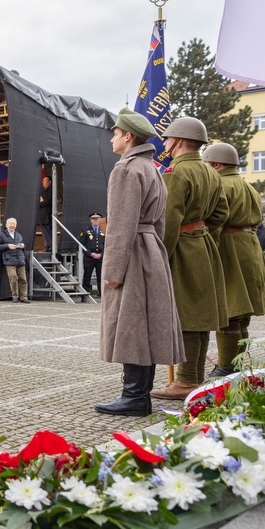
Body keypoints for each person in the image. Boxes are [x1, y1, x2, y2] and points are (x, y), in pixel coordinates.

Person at [95, 109, 184, 416]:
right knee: (146, 325)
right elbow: (159, 222)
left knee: (131, 325)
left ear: (128, 136)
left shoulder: (126, 170)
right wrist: (155, 251)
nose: (112, 138)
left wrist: (113, 270)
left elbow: (120, 224)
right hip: (151, 250)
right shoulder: (153, 168)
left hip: (132, 252)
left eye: (116, 133)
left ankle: (133, 397)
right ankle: (139, 395)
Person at [150, 117, 229, 400]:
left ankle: (185, 381)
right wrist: (203, 234)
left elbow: (169, 222)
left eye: (168, 139)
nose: (165, 144)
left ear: (180, 140)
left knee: (185, 318)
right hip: (203, 246)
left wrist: (160, 258)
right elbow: (220, 214)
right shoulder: (211, 173)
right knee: (200, 317)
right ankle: (194, 378)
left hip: (182, 249)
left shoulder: (176, 173)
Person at [202, 143, 265, 376]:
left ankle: (226, 366)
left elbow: (213, 220)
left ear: (217, 164)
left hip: (229, 248)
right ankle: (237, 364)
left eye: (208, 164)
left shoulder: (220, 184)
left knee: (229, 311)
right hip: (249, 247)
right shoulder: (247, 185)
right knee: (242, 315)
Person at [0, 218, 29, 303]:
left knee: (23, 279)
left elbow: (22, 246)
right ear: (6, 225)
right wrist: (7, 246)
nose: (12, 225)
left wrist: (23, 246)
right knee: (13, 278)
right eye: (11, 223)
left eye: (14, 224)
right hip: (9, 260)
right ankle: (15, 296)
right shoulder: (1, 235)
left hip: (20, 259)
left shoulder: (18, 235)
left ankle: (23, 297)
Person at [79, 212, 105, 298]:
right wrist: (90, 254)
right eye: (94, 219)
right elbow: (82, 244)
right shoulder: (85, 230)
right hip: (89, 257)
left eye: (97, 219)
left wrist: (101, 254)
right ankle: (85, 294)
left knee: (101, 276)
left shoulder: (104, 230)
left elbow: (107, 244)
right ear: (91, 220)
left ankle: (102, 293)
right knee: (87, 275)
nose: (96, 221)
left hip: (100, 257)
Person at [37, 175, 53, 251]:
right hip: (42, 216)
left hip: (47, 215)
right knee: (44, 233)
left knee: (47, 232)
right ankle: (46, 247)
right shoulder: (43, 191)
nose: (43, 182)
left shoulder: (51, 190)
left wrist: (39, 204)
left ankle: (50, 246)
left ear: (50, 182)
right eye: (43, 181)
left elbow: (48, 201)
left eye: (45, 181)